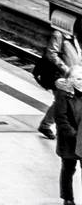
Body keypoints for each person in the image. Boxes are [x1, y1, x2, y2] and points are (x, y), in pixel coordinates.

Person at [42, 25, 82, 139]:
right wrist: (65, 68)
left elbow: (76, 57)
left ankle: (47, 125)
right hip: (59, 75)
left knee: (63, 100)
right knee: (63, 100)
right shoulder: (58, 35)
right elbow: (51, 54)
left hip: (72, 76)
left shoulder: (73, 38)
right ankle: (49, 126)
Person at [56, 67, 82, 205]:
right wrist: (73, 134)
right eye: (78, 79)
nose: (81, 82)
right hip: (69, 140)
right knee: (68, 168)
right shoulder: (63, 95)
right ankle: (68, 198)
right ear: (70, 80)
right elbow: (61, 118)